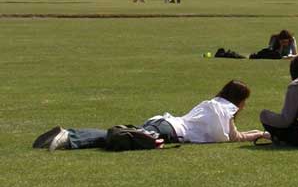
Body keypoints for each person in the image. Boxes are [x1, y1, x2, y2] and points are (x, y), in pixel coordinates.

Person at [32, 80, 270, 151]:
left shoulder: (212, 103)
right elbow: (234, 138)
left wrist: (259, 133)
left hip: (162, 122)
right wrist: (261, 134)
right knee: (119, 137)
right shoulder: (226, 109)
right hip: (170, 131)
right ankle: (68, 136)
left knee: (119, 137)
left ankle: (68, 137)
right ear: (238, 100)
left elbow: (233, 134)